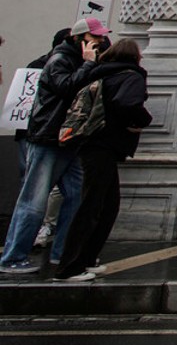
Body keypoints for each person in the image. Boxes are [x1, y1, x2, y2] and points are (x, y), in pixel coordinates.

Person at [1, 16, 107, 275]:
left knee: (76, 197)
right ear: (79, 39)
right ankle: (13, 257)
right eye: (95, 38)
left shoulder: (74, 61)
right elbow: (67, 87)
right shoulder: (59, 60)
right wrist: (88, 64)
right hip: (48, 138)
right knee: (33, 200)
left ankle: (64, 253)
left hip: (68, 139)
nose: (100, 42)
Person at [51, 38, 151, 281]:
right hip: (104, 145)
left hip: (92, 143)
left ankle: (86, 259)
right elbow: (126, 104)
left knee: (106, 204)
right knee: (92, 206)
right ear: (135, 57)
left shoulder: (99, 73)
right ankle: (70, 267)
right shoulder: (131, 76)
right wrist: (141, 121)